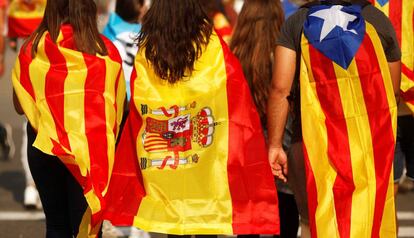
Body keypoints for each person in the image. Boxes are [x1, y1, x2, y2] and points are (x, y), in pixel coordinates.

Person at [104, 0, 280, 236]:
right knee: (205, 223)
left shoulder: (149, 49)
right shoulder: (211, 44)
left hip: (165, 155)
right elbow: (233, 92)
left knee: (175, 226)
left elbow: (140, 95)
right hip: (204, 157)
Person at [268, 0, 401, 237]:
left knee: (315, 221)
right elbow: (392, 93)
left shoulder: (298, 22)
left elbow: (280, 89)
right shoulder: (378, 21)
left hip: (311, 142)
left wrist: (275, 144)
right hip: (369, 145)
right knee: (371, 219)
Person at [12, 0, 126, 237]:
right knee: (88, 229)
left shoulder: (33, 49)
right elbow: (118, 105)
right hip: (89, 153)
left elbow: (19, 106)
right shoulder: (105, 51)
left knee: (56, 226)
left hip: (45, 146)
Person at [230, 1, 299, 238]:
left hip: (243, 150)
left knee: (248, 220)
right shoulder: (286, 55)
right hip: (281, 144)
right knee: (286, 211)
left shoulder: (231, 58)